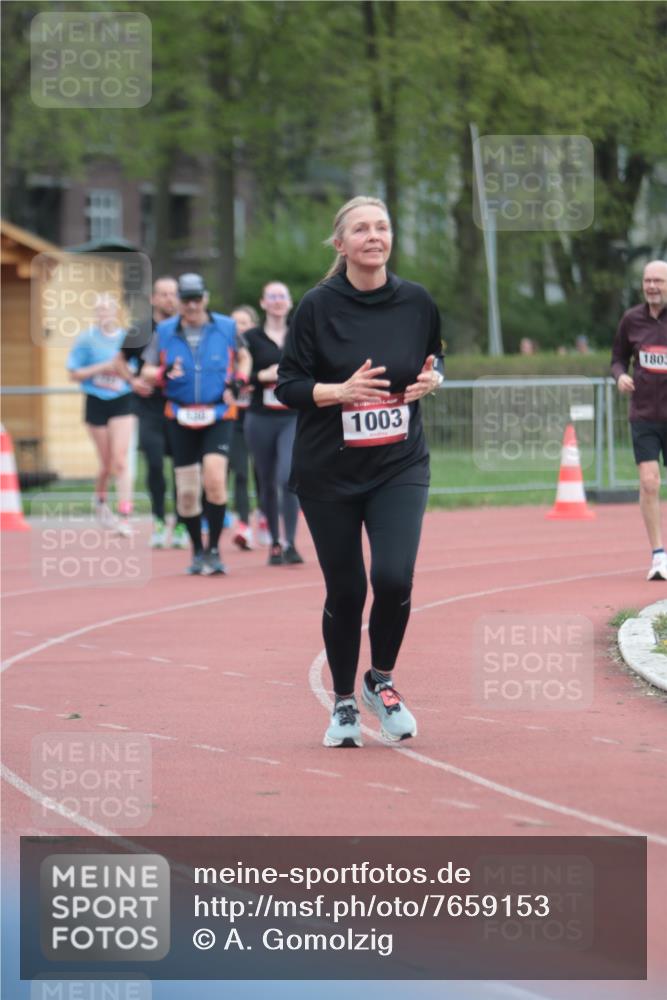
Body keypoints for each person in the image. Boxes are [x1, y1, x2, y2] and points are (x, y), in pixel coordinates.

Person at [276, 196, 443, 747]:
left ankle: (382, 681)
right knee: (346, 591)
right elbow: (288, 385)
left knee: (393, 577)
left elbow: (433, 359)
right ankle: (344, 702)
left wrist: (431, 380)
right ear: (340, 244)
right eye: (362, 229)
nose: (375, 236)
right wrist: (338, 391)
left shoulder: (417, 301)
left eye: (383, 227)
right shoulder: (316, 307)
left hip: (399, 463)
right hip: (330, 471)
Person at [141, 273, 251, 575]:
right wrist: (163, 372)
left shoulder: (226, 327)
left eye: (196, 299)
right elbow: (147, 371)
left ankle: (214, 549)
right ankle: (197, 550)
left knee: (215, 480)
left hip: (217, 413)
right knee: (187, 491)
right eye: (186, 300)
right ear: (179, 302)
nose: (191, 306)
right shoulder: (163, 331)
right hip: (180, 414)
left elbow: (244, 357)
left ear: (205, 298)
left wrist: (239, 381)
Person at [121, 276, 189, 549]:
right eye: (163, 294)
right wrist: (133, 381)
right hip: (149, 410)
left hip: (180, 407)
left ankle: (184, 522)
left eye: (173, 294)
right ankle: (159, 520)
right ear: (153, 299)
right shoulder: (139, 331)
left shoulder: (187, 328)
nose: (169, 299)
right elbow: (118, 359)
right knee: (155, 465)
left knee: (182, 469)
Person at [612, 259, 667, 581]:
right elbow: (617, 358)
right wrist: (619, 376)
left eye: (658, 281)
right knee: (649, 483)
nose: (652, 286)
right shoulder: (631, 319)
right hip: (644, 415)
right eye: (648, 281)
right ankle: (659, 554)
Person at [67, 294, 136, 536]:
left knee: (120, 459)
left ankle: (125, 514)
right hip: (96, 401)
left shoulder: (127, 339)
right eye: (99, 310)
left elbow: (134, 371)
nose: (103, 314)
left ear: (116, 312)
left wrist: (121, 369)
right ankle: (100, 500)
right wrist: (103, 367)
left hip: (123, 400)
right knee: (106, 464)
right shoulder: (86, 340)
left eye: (107, 310)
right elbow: (73, 373)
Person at [244, 282, 303, 566]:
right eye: (272, 297)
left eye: (282, 296)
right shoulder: (250, 338)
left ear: (290, 302)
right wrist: (262, 375)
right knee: (266, 480)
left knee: (287, 475)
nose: (278, 301)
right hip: (260, 417)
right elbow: (241, 375)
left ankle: (291, 541)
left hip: (292, 416)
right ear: (263, 303)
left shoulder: (300, 333)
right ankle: (275, 543)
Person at [229, 305, 260, 550]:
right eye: (235, 323)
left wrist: (255, 381)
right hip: (234, 422)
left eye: (244, 323)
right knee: (240, 472)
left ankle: (266, 516)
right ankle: (243, 525)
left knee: (263, 473)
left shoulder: (261, 350)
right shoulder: (226, 351)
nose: (239, 327)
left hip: (261, 419)